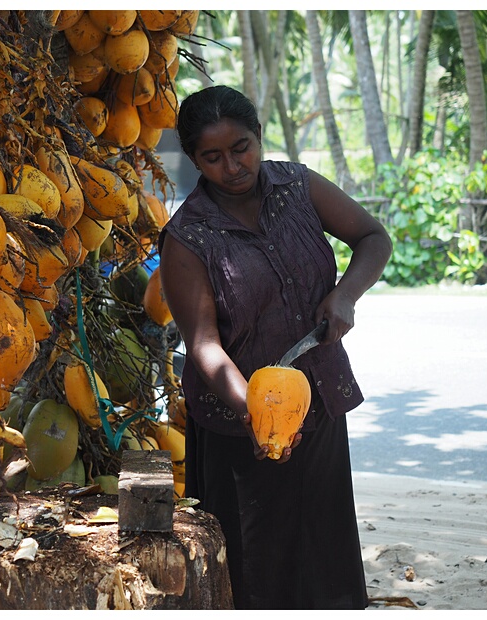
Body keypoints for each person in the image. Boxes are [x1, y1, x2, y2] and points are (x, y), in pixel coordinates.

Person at [158, 85, 392, 610]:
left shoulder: (299, 187)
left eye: (241, 147)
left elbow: (374, 237)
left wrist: (345, 296)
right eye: (212, 157)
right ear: (194, 160)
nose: (232, 166)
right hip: (236, 426)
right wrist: (257, 412)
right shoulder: (188, 237)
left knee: (323, 546)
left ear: (259, 137)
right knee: (256, 566)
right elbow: (204, 346)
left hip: (319, 401)